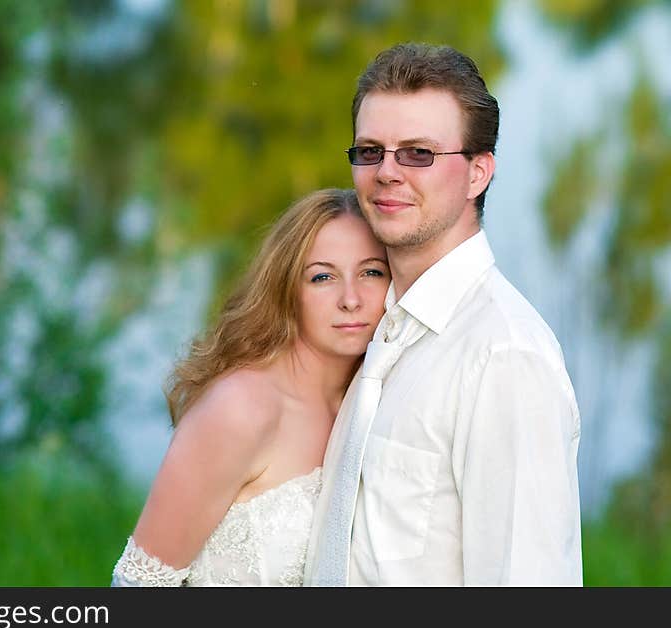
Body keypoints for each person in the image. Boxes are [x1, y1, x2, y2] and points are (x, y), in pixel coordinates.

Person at [305, 43, 582, 586]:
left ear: (478, 173)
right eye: (369, 151)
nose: (386, 172)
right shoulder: (366, 326)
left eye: (418, 154)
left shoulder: (504, 358)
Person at [111, 188, 391, 586]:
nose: (351, 299)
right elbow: (139, 584)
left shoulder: (369, 402)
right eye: (322, 277)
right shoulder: (241, 407)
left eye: (371, 272)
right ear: (286, 289)